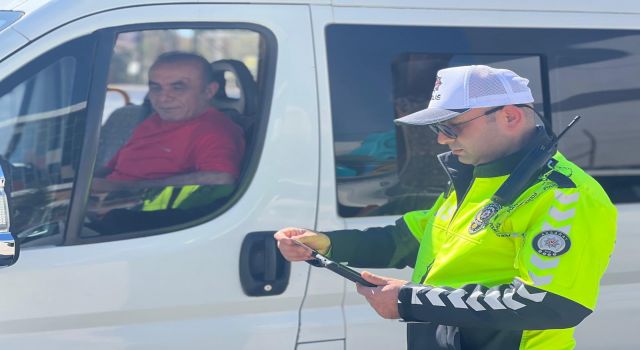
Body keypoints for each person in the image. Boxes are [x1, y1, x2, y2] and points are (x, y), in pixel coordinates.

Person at [274, 65, 616, 349]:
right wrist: (326, 243)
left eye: (451, 126)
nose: (441, 138)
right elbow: (412, 237)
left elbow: (550, 304)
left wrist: (408, 300)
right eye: (438, 128)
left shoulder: (565, 195)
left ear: (510, 116)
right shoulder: (477, 175)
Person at [93, 51, 245, 193]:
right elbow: (113, 168)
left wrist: (124, 188)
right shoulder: (154, 121)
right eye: (156, 88)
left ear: (209, 91)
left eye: (178, 88)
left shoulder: (214, 132)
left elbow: (220, 179)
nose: (163, 98)